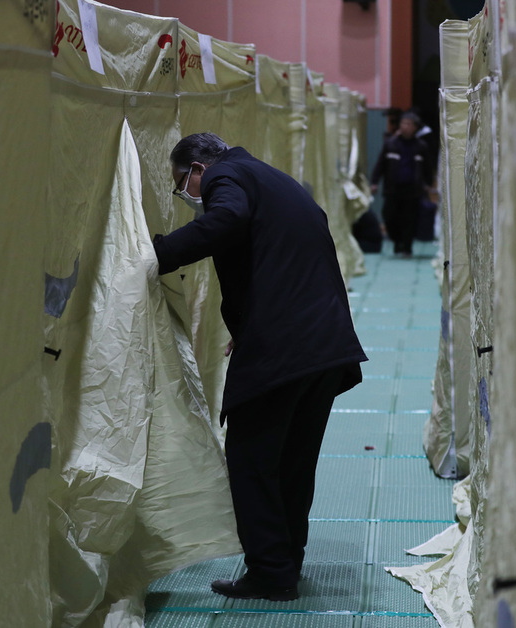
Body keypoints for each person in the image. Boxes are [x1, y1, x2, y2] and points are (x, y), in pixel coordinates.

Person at [152, 132, 368, 601]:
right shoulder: (273, 178)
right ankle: (287, 562)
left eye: (182, 183)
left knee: (251, 462)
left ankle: (270, 572)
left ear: (198, 168)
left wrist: (157, 254)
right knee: (293, 463)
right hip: (323, 346)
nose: (187, 194)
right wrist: (254, 320)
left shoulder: (226, 176)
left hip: (286, 350)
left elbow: (228, 220)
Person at [369, 111, 432, 256]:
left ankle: (406, 247)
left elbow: (427, 167)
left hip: (413, 189)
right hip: (393, 188)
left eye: (409, 124)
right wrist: (374, 182)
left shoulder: (421, 146)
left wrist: (428, 183)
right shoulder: (390, 144)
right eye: (403, 123)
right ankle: (397, 242)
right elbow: (380, 165)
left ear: (415, 127)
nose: (405, 127)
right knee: (389, 216)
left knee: (409, 218)